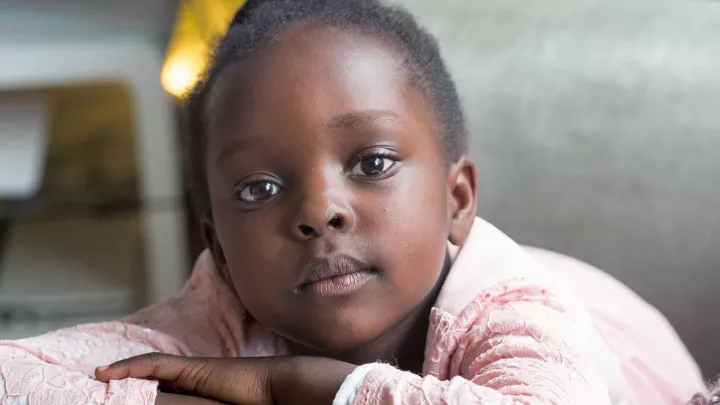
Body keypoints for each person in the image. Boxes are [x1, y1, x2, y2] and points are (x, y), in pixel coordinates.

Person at [0, 0, 710, 404]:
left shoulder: (518, 312)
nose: (318, 211)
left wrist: (297, 390)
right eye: (259, 188)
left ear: (456, 198)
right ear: (217, 249)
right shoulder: (213, 314)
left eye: (371, 162)